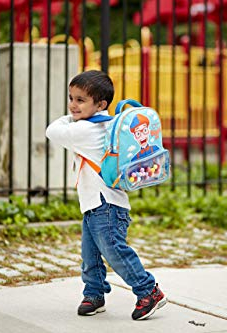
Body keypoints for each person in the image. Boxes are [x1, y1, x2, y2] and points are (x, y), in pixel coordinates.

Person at [46, 70, 167, 320]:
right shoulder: (106, 123)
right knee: (90, 255)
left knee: (114, 250)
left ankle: (148, 291)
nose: (73, 105)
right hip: (95, 204)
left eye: (80, 100)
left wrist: (69, 119)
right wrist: (77, 117)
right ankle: (94, 293)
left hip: (106, 205)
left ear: (100, 104)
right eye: (71, 98)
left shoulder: (85, 131)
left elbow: (52, 131)